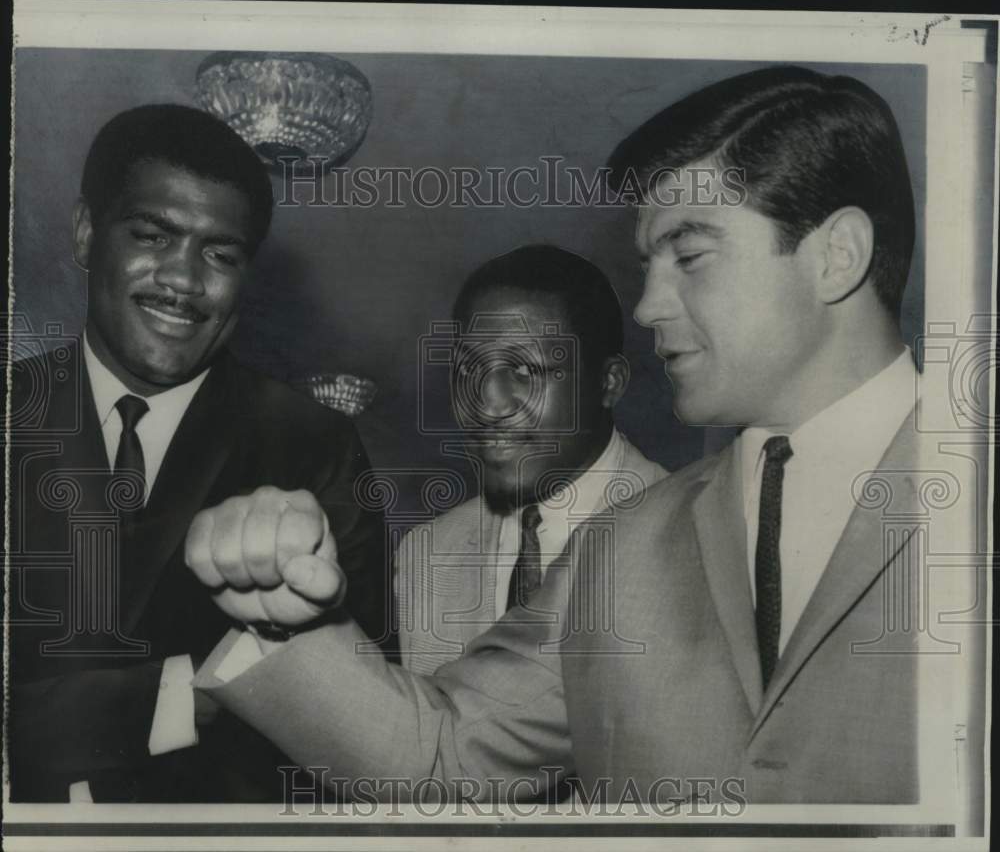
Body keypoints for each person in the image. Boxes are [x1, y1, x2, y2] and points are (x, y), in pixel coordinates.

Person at [185, 66, 977, 804]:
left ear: (837, 256)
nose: (648, 305)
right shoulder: (619, 547)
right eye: (648, 265)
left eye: (690, 254)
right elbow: (440, 758)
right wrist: (283, 620)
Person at [6, 104, 392, 802]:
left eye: (221, 254)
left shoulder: (315, 445)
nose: (184, 280)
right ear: (86, 232)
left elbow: (367, 729)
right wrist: (194, 692)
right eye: (153, 235)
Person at [396, 245, 667, 674]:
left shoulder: (688, 536)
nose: (488, 403)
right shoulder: (426, 554)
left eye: (524, 371)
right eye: (468, 371)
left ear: (608, 383)